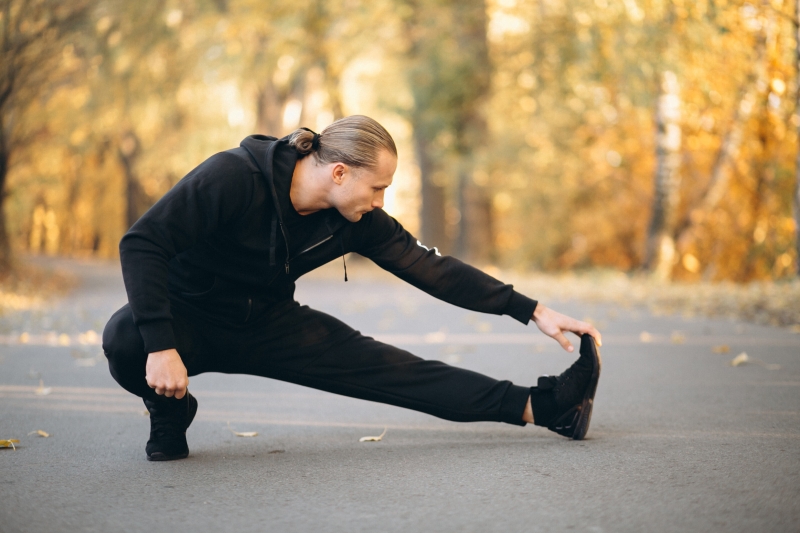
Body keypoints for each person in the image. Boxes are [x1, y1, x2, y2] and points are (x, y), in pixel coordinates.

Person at [102, 115, 603, 461]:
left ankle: (547, 407)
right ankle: (170, 408)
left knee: (396, 370)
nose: (380, 201)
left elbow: (435, 270)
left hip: (270, 324)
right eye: (378, 188)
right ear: (339, 172)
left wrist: (531, 309)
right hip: (191, 318)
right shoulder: (234, 177)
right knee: (127, 339)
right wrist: (162, 345)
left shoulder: (356, 217)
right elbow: (143, 242)